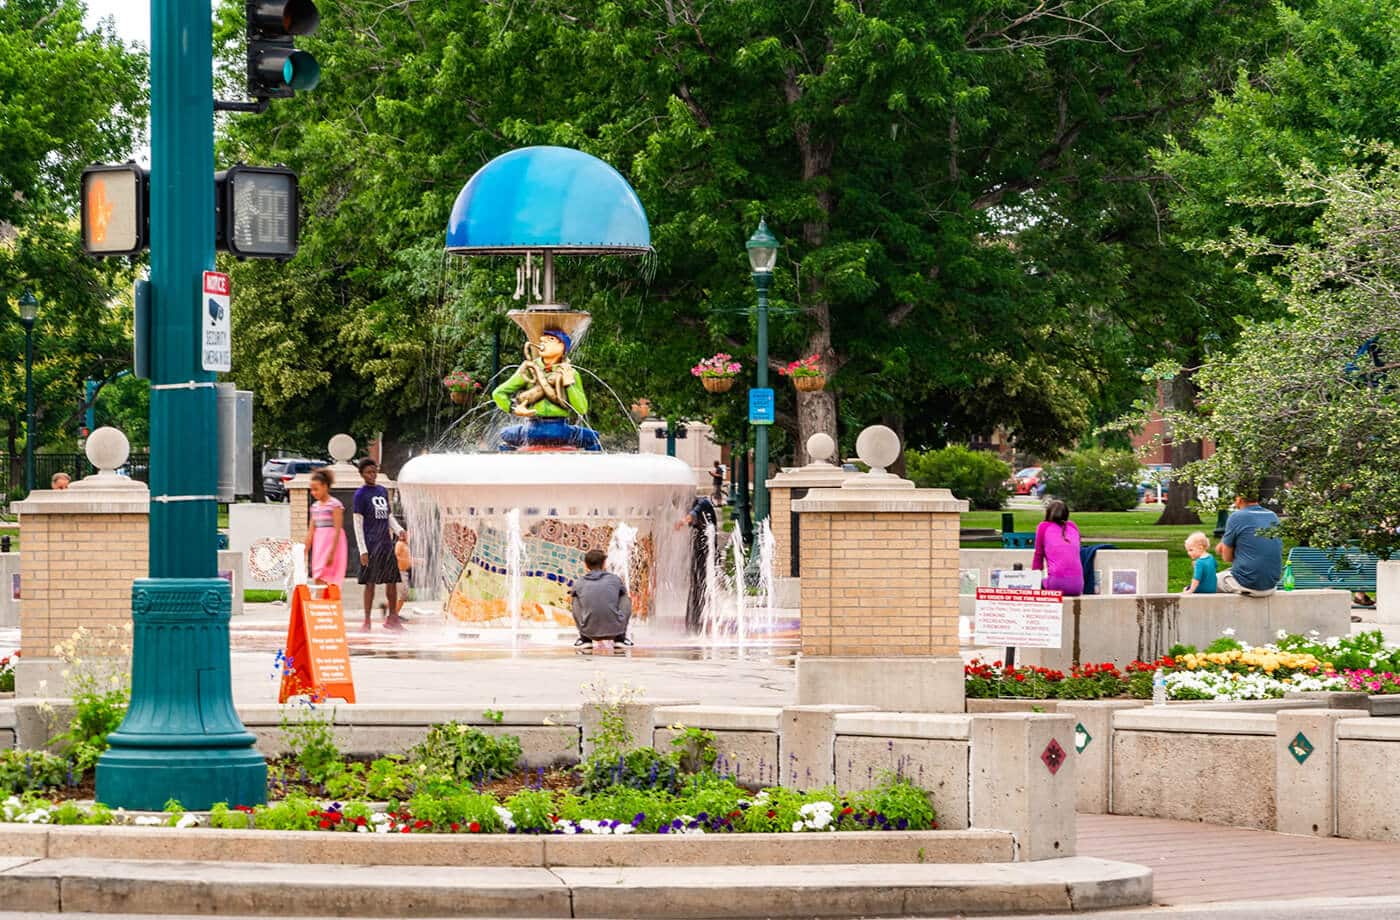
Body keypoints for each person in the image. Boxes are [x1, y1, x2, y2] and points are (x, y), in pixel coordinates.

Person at [352, 459, 405, 631]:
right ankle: (366, 620)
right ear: (362, 474)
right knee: (370, 583)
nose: (372, 475)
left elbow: (388, 516)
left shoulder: (382, 491)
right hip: (370, 544)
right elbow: (357, 523)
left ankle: (393, 618)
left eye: (374, 472)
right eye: (368, 472)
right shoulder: (360, 495)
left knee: (392, 581)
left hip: (386, 543)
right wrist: (363, 550)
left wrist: (398, 530)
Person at [1218, 487, 1282, 597]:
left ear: (1239, 499)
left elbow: (1226, 558)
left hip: (1248, 585)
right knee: (1228, 573)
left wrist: (1226, 546)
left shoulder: (1236, 516)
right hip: (1271, 585)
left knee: (1205, 581)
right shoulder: (1272, 515)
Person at [569, 548, 633, 651]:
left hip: (588, 631)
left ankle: (585, 640)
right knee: (624, 596)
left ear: (586, 565)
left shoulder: (579, 582)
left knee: (575, 597)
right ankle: (620, 639)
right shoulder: (615, 579)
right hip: (616, 630)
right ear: (604, 564)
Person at [679, 495, 719, 633]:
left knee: (700, 587)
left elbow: (693, 514)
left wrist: (682, 522)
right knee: (696, 588)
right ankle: (693, 621)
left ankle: (696, 622)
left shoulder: (702, 503)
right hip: (700, 553)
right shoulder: (701, 507)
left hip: (706, 553)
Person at [304, 469, 347, 586]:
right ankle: (320, 602)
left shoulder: (335, 504)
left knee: (330, 577)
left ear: (325, 487)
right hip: (320, 544)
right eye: (311, 490)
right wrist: (305, 550)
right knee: (318, 575)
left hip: (332, 544)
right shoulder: (315, 507)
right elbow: (311, 531)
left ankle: (329, 602)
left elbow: (338, 530)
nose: (313, 492)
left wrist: (332, 553)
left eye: (316, 489)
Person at [1032, 500, 1083, 596]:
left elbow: (1038, 556)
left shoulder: (1043, 527)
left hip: (1055, 585)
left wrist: (1034, 580)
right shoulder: (1073, 526)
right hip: (1077, 586)